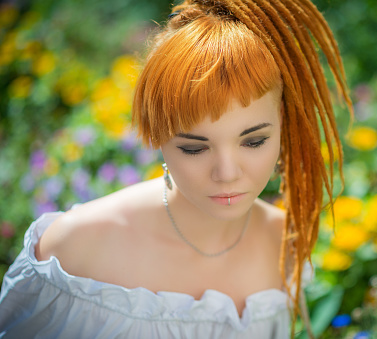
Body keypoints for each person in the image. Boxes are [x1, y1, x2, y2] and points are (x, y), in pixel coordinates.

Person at [0, 0, 352, 338]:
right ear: (158, 138)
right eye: (194, 147)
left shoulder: (283, 243)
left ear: (284, 126)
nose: (227, 173)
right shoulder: (75, 249)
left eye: (253, 141)